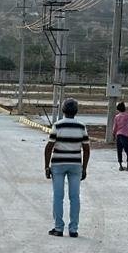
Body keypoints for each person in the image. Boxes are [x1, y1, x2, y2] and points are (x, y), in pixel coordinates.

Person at [44, 97, 90, 238]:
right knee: (74, 197)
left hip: (58, 165)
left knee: (58, 196)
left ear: (63, 110)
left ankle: (58, 228)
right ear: (76, 111)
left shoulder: (57, 126)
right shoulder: (81, 127)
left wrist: (46, 166)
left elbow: (49, 147)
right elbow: (87, 149)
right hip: (75, 165)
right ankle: (73, 229)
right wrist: (84, 168)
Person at [112, 101, 128, 171]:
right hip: (125, 136)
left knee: (119, 151)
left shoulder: (116, 117)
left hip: (118, 135)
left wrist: (114, 135)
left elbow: (115, 127)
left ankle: (120, 166)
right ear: (124, 108)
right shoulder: (127, 115)